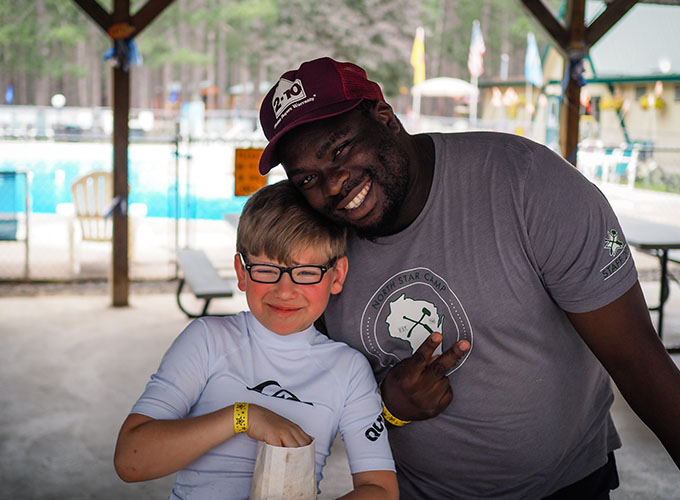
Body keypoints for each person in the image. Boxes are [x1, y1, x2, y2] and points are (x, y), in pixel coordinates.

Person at [256, 57, 680, 499]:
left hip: (566, 486)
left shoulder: (527, 184)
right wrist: (388, 404)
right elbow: (303, 401)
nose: (333, 184)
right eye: (307, 177)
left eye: (340, 150)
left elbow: (641, 364)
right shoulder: (317, 248)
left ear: (385, 118)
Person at [114, 180, 398, 500]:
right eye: (266, 270)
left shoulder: (347, 369)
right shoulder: (207, 340)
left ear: (337, 275)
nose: (284, 291)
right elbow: (130, 460)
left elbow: (381, 489)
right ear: (241, 271)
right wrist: (244, 416)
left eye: (305, 273)